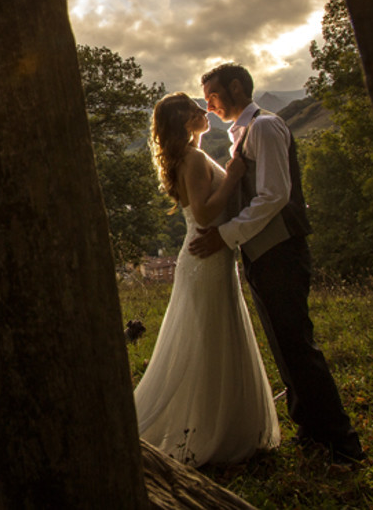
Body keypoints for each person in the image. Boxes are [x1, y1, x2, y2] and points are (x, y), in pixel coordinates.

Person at [189, 63, 365, 464]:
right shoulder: (241, 133)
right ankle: (310, 430)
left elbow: (274, 195)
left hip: (281, 250)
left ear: (237, 87)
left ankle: (341, 443)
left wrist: (225, 235)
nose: (209, 105)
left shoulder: (265, 127)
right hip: (261, 252)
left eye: (213, 95)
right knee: (284, 346)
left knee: (298, 345)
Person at [133, 92, 280, 467]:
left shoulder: (187, 155)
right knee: (213, 339)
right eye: (196, 109)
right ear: (183, 120)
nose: (204, 111)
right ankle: (215, 433)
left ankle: (214, 425)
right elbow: (203, 214)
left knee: (210, 338)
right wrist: (233, 178)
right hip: (207, 257)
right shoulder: (194, 158)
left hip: (206, 256)